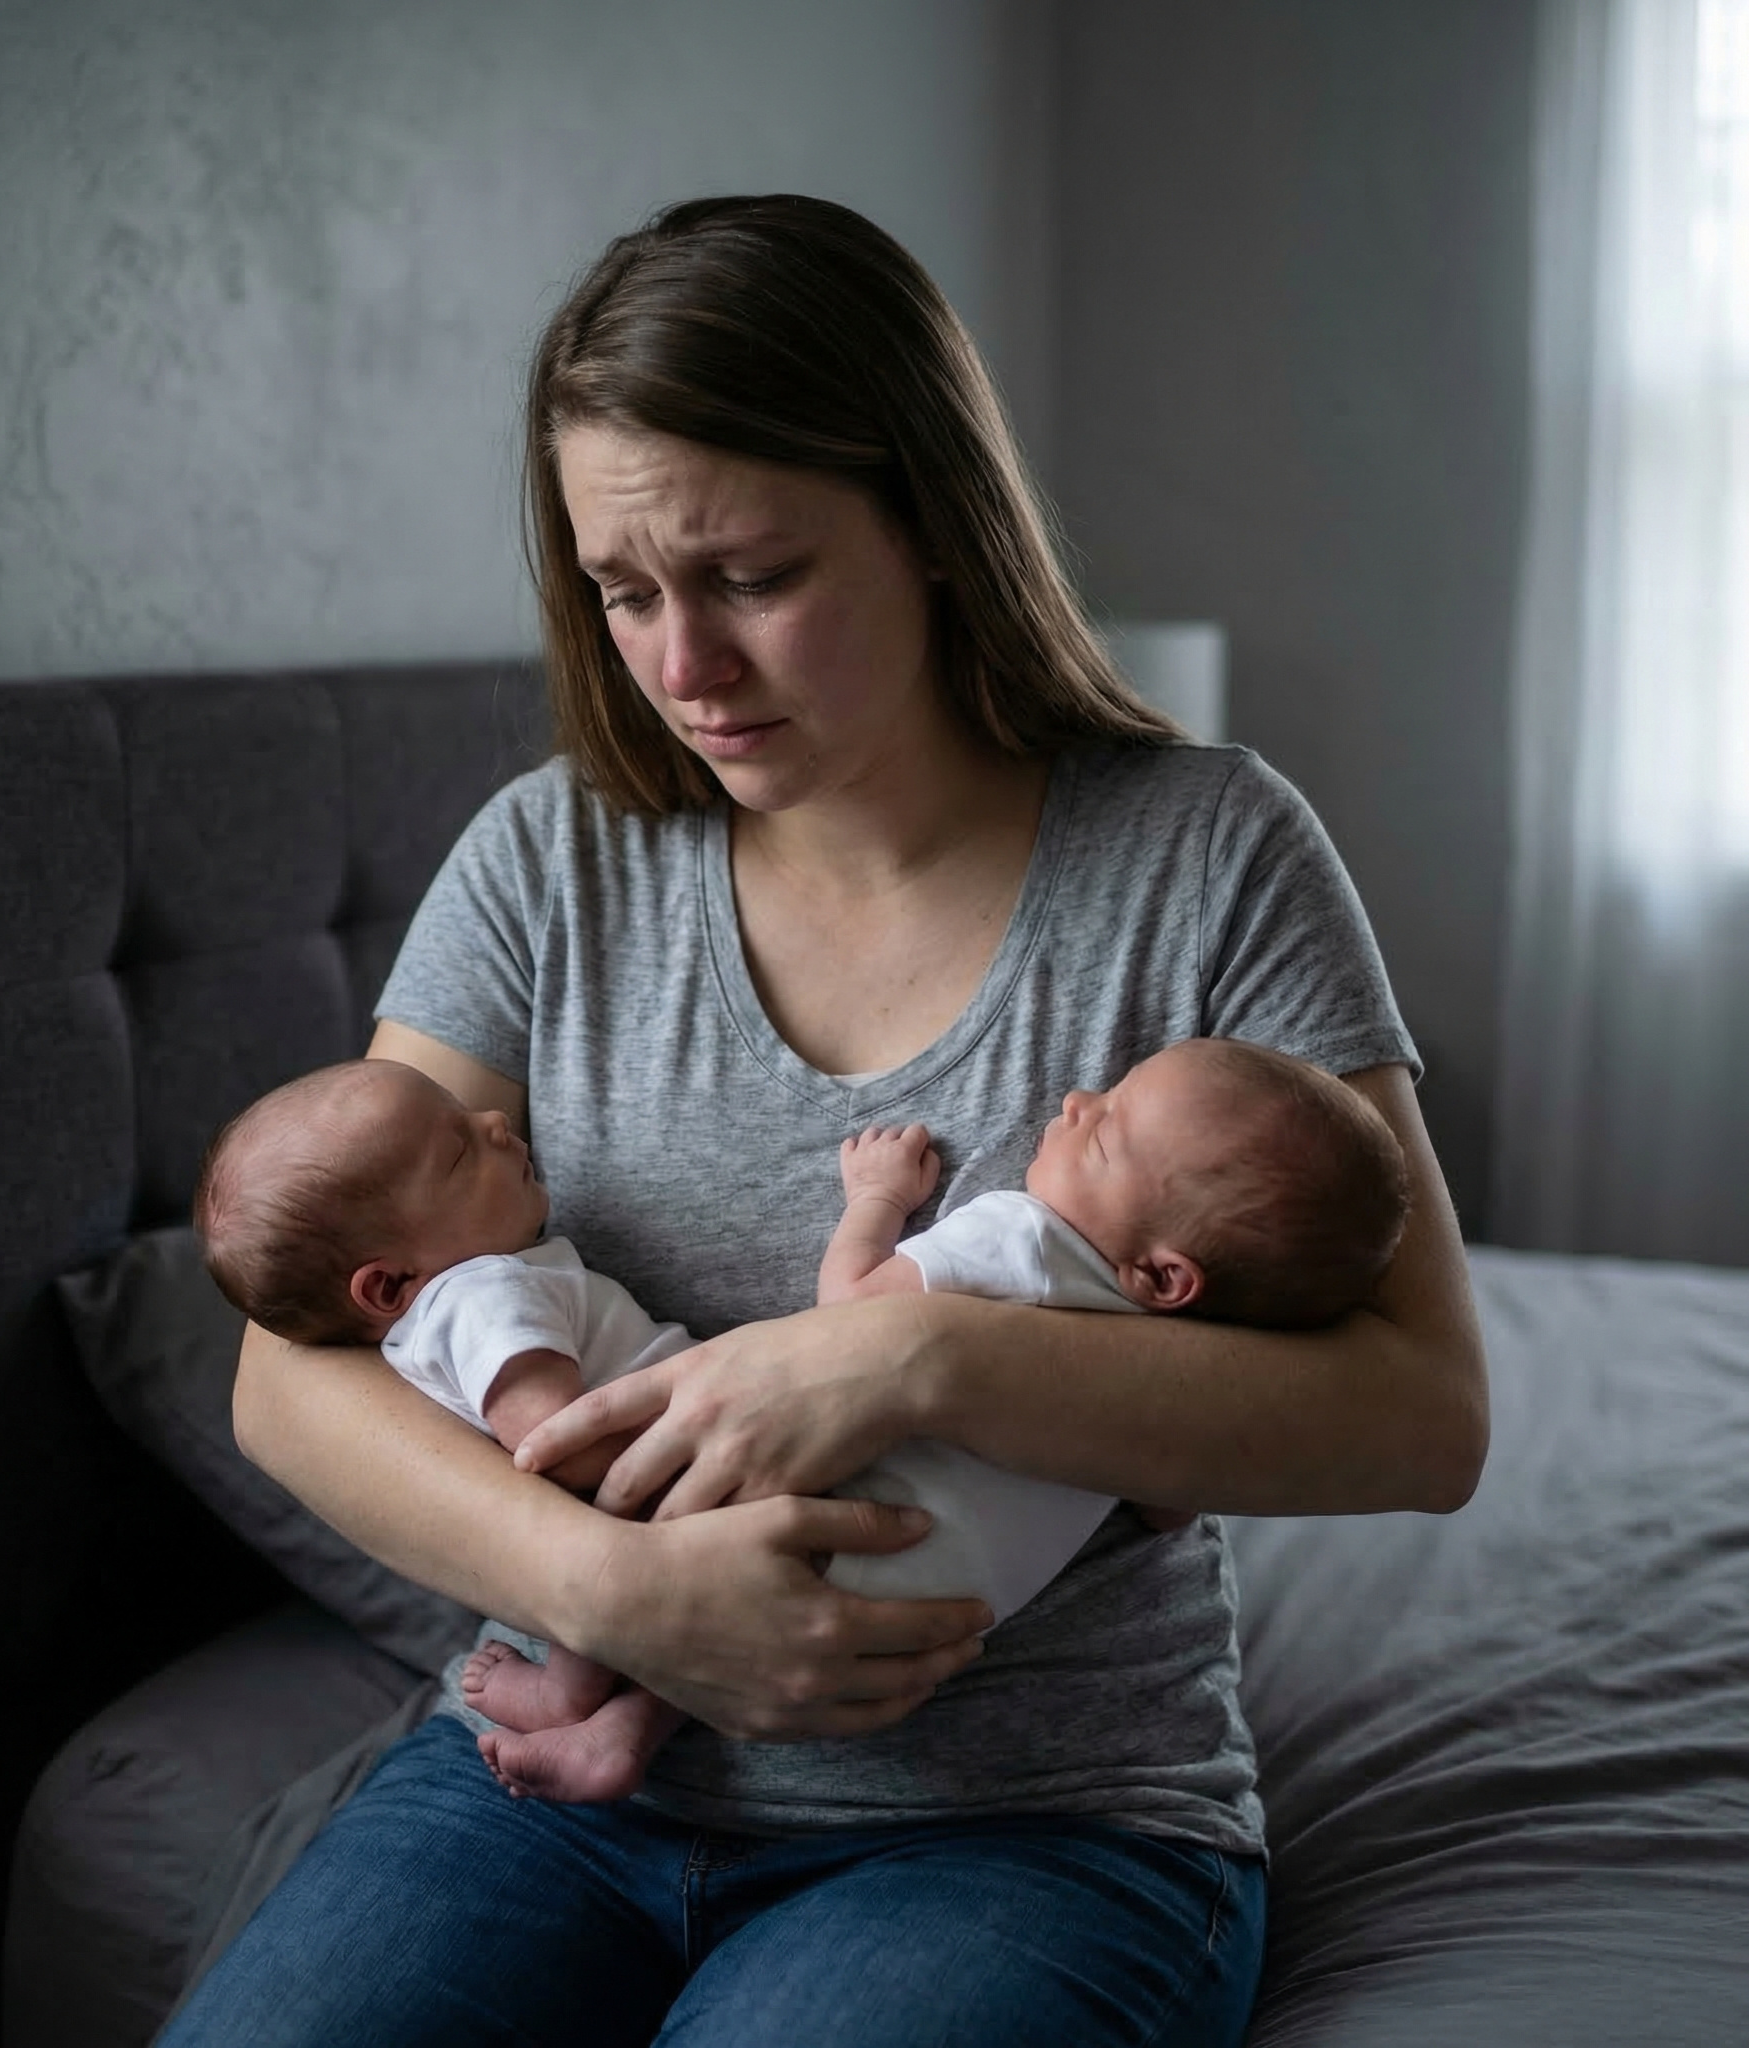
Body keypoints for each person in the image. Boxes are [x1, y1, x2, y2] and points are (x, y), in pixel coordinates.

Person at [160, 193, 1486, 2048]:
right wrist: (613, 1586)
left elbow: (1420, 1418)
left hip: (1026, 1824)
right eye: (624, 591)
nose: (681, 664)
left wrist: (911, 1363)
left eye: (749, 575)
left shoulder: (1206, 853)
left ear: (933, 526)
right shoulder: (549, 860)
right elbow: (285, 1370)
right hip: (551, 1795)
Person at [194, 1037, 1409, 1806]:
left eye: (1109, 1124)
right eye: (629, 603)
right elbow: (1165, 1492)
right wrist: (615, 1575)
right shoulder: (1169, 1344)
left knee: (731, 1557)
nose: (1079, 1097)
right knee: (723, 1570)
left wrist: (874, 1199)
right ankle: (606, 1714)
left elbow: (853, 1319)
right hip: (955, 1599)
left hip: (963, 1727)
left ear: (1164, 1269)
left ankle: (592, 1708)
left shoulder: (1015, 1237)